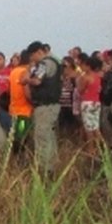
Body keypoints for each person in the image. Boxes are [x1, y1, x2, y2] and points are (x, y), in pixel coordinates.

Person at [26, 41, 63, 172]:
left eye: (32, 56)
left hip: (45, 106)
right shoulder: (55, 62)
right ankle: (52, 167)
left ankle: (45, 170)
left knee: (42, 137)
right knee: (49, 137)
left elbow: (37, 80)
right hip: (52, 105)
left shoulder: (45, 63)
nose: (32, 60)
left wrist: (26, 80)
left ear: (38, 52)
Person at [75, 53, 103, 151]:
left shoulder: (85, 77)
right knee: (96, 126)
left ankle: (91, 149)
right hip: (97, 102)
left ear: (89, 66)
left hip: (87, 103)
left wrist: (79, 81)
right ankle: (101, 148)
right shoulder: (98, 77)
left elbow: (80, 90)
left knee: (88, 128)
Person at [8, 52, 34, 150]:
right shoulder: (25, 73)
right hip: (24, 111)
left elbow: (9, 89)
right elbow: (27, 93)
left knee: (16, 136)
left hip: (13, 109)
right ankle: (19, 161)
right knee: (22, 138)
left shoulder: (13, 72)